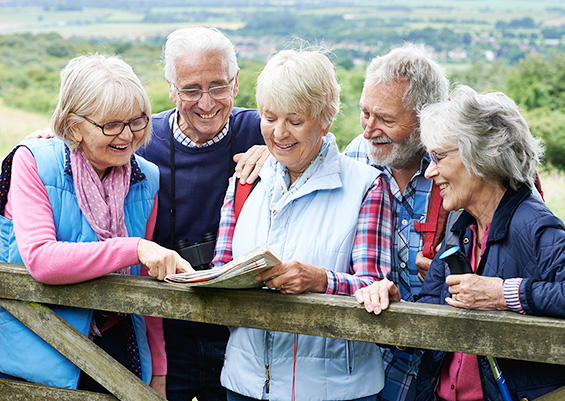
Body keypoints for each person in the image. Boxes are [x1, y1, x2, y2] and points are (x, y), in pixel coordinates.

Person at [355, 85, 565, 400]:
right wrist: (395, 307)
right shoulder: (462, 226)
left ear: (481, 154)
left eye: (438, 157)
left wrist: (499, 293)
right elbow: (432, 308)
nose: (430, 172)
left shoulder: (534, 225)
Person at [0, 54, 192, 396]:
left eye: (137, 121)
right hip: (39, 354)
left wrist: (158, 369)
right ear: (75, 126)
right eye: (111, 125)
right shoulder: (33, 162)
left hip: (119, 347)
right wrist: (133, 248)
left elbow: (146, 284)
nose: (127, 135)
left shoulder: (146, 177)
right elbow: (42, 260)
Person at [211, 47, 394, 401]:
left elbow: (375, 286)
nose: (279, 133)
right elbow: (221, 268)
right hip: (245, 384)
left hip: (335, 391)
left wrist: (321, 280)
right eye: (269, 117)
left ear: (325, 118)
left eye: (294, 121)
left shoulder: (366, 185)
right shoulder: (246, 180)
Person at [136, 27, 266, 401]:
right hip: (165, 333)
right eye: (191, 90)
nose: (206, 103)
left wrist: (276, 152)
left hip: (240, 333)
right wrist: (52, 137)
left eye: (218, 86)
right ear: (172, 88)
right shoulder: (145, 138)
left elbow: (321, 142)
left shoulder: (263, 130)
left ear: (236, 82)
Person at [343, 43, 449, 400]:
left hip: (444, 361)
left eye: (386, 119)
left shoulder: (457, 167)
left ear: (425, 121)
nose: (370, 129)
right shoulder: (356, 154)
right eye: (365, 113)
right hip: (372, 361)